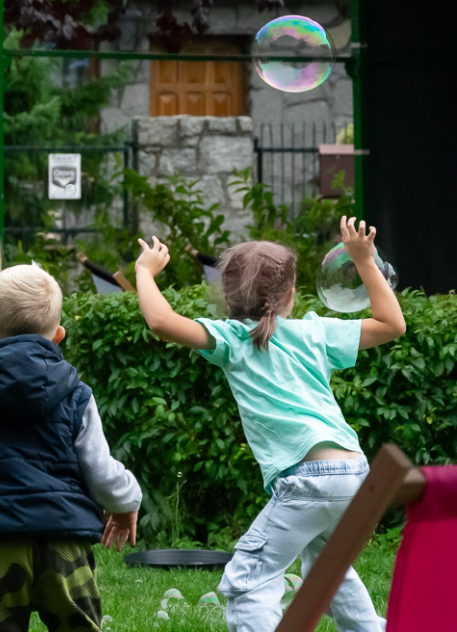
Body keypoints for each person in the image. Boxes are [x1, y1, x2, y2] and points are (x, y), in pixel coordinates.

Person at [135, 217, 406, 632]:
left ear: (228, 295)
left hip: (308, 479)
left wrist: (143, 271)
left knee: (250, 581)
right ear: (291, 295)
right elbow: (393, 325)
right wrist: (364, 261)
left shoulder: (232, 339)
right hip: (353, 473)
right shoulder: (316, 333)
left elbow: (160, 322)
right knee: (328, 572)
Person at [0, 263, 141, 632]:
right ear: (58, 336)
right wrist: (125, 502)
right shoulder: (77, 397)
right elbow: (100, 470)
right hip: (65, 545)